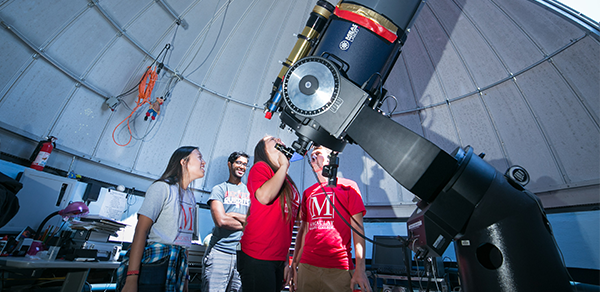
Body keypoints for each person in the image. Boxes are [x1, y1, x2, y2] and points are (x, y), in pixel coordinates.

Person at [117, 146, 206, 292]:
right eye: (199, 157)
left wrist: (185, 279)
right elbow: (141, 230)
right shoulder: (162, 188)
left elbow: (184, 242)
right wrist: (132, 278)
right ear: (183, 162)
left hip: (178, 265)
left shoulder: (190, 196)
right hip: (156, 264)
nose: (204, 162)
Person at [290, 145, 371, 292]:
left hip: (338, 268)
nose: (313, 158)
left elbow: (358, 231)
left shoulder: (349, 187)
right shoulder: (308, 193)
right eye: (312, 156)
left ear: (331, 158)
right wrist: (295, 264)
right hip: (307, 266)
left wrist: (360, 268)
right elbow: (304, 231)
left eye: (318, 153)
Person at [237, 136, 301, 292]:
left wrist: (287, 261)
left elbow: (288, 223)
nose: (279, 139)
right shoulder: (260, 167)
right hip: (258, 256)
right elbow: (264, 197)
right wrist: (284, 165)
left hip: (278, 258)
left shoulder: (287, 180)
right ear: (263, 150)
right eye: (272, 139)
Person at [202, 151, 250, 292]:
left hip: (242, 255)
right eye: (239, 163)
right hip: (219, 252)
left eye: (245, 164)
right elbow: (221, 221)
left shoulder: (250, 192)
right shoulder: (219, 189)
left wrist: (233, 215)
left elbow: (255, 222)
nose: (242, 167)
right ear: (230, 164)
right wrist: (247, 224)